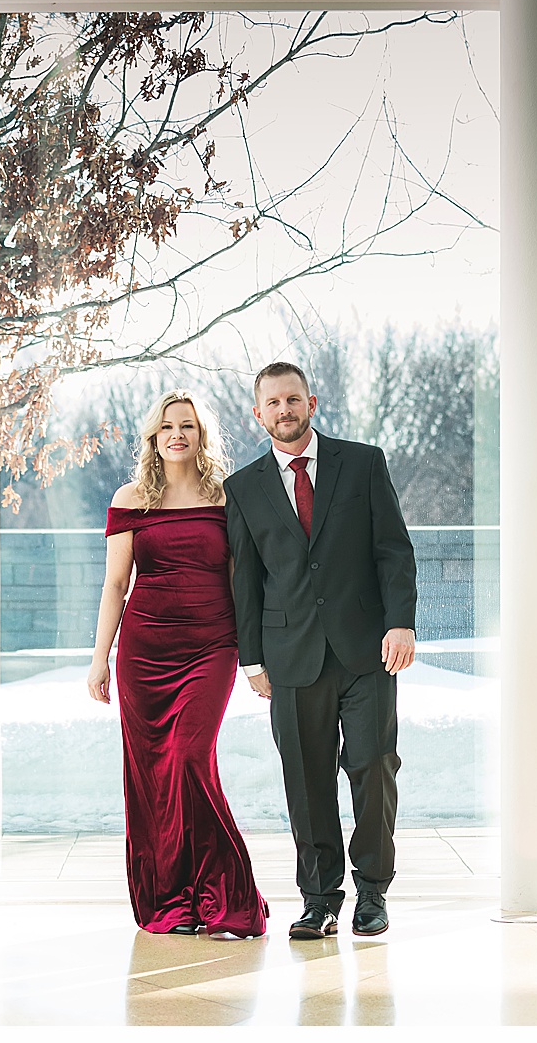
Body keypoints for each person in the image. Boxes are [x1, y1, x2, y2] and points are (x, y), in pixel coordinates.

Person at [224, 361, 417, 940]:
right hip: (290, 656)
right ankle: (318, 900)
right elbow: (246, 580)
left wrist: (400, 623)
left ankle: (373, 894)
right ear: (257, 415)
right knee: (305, 781)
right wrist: (252, 659)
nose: (284, 411)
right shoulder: (243, 487)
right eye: (272, 404)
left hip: (367, 651)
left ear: (313, 402)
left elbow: (393, 551)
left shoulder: (362, 463)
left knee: (373, 768)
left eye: (293, 399)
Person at [88, 391, 268, 939]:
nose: (176, 434)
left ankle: (227, 893)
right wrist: (100, 659)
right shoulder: (132, 498)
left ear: (201, 434)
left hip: (212, 645)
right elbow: (116, 584)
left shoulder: (226, 498)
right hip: (144, 653)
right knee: (152, 778)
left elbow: (244, 581)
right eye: (166, 426)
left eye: (187, 425)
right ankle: (172, 900)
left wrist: (254, 658)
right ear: (153, 437)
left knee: (190, 757)